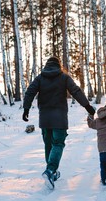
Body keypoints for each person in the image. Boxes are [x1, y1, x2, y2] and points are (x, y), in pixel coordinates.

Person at [22, 56, 95, 189]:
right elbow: (76, 91)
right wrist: (87, 106)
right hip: (59, 117)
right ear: (59, 65)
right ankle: (50, 170)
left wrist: (26, 108)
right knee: (58, 143)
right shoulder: (64, 77)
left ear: (47, 65)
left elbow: (30, 92)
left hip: (44, 118)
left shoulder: (40, 78)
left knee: (48, 145)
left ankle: (51, 172)